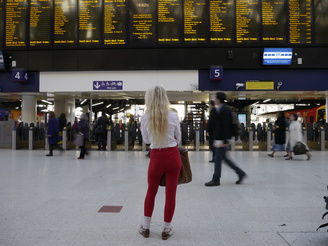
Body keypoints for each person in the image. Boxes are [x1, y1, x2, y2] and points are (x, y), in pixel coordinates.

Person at [139, 86, 181, 240]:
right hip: (173, 156)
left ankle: (146, 227)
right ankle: (166, 229)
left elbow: (146, 140)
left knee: (151, 191)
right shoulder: (173, 115)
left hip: (156, 156)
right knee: (171, 193)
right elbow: (179, 138)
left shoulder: (145, 117)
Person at [205, 92, 247, 186]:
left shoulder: (226, 110)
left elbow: (226, 126)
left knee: (217, 158)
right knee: (224, 158)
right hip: (216, 138)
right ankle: (240, 173)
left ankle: (216, 179)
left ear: (219, 99)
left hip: (222, 139)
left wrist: (225, 140)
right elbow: (212, 123)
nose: (214, 100)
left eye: (216, 98)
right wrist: (208, 132)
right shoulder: (215, 110)